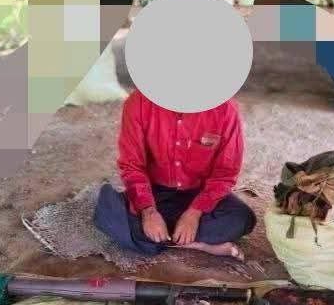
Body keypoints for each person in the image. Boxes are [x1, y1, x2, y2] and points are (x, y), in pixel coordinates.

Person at [93, 89, 256, 260]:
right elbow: (132, 165)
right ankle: (197, 243)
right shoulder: (138, 102)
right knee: (108, 212)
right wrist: (148, 212)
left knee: (242, 219)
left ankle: (165, 239)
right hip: (154, 193)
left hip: (199, 194)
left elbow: (225, 173)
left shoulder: (226, 108)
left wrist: (194, 213)